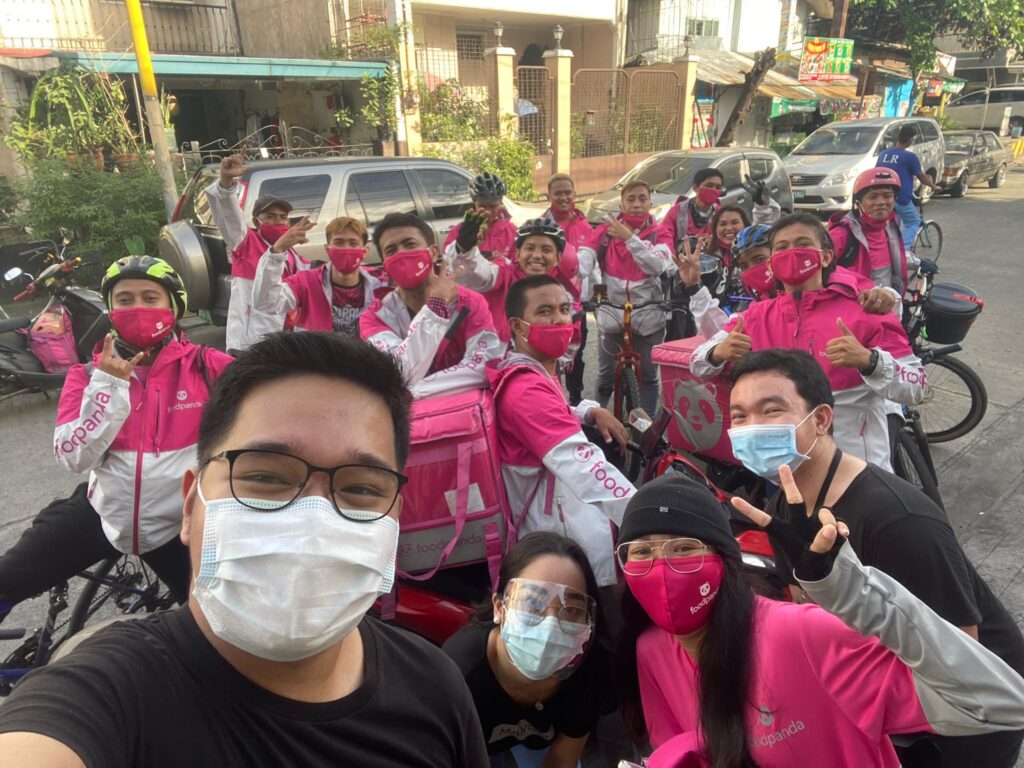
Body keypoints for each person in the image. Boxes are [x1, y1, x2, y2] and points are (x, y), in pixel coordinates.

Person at [0, 333, 490, 767]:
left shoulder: (436, 687)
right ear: (190, 506)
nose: (312, 521)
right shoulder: (107, 697)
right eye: (263, 476)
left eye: (361, 489)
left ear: (396, 516)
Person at [729, 347, 1024, 767]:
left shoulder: (897, 520)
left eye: (771, 410)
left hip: (970, 717)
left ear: (821, 420)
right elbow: (804, 605)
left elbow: (961, 651)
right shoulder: (786, 508)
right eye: (739, 416)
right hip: (887, 690)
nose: (750, 428)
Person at [613, 473, 1024, 768]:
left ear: (726, 563)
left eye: (685, 548)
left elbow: (998, 703)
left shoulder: (799, 635)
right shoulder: (651, 650)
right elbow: (681, 746)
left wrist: (853, 593)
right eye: (641, 552)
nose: (662, 567)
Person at [0, 256, 232, 624]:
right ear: (110, 310)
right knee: (7, 579)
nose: (137, 307)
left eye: (150, 298)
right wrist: (109, 386)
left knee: (214, 620)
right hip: (102, 513)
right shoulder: (85, 374)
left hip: (178, 526)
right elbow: (72, 458)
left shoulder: (209, 366)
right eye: (124, 300)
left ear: (174, 307)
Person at [690, 213, 924, 471]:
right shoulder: (756, 316)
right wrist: (717, 352)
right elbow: (697, 364)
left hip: (856, 472)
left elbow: (916, 386)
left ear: (825, 256)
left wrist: (870, 362)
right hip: (786, 472)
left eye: (802, 244)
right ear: (772, 262)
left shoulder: (864, 311)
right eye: (781, 248)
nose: (792, 253)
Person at [488, 274, 633, 589]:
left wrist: (589, 411)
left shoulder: (536, 372)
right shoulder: (527, 388)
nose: (559, 319)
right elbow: (583, 465)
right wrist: (647, 515)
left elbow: (555, 414)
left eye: (564, 309)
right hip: (561, 538)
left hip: (561, 520)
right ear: (517, 326)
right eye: (544, 311)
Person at [443, 532, 609, 768]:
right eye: (533, 604)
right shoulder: (458, 673)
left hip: (541, 742)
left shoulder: (588, 670)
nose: (551, 626)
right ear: (500, 607)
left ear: (588, 622)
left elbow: (562, 761)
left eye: (571, 609)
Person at [674, 223, 899, 341]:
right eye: (744, 266)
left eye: (759, 259)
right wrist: (694, 287)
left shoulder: (835, 280)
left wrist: (887, 296)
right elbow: (721, 335)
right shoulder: (759, 304)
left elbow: (883, 302)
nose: (753, 270)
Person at [360, 212, 501, 399]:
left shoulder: (470, 302)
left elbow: (482, 368)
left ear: (433, 253)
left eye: (410, 244)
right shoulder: (374, 318)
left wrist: (412, 392)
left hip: (464, 414)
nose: (402, 254)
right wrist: (436, 307)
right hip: (408, 421)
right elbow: (400, 372)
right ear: (385, 264)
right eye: (391, 250)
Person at [577, 180, 673, 416]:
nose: (637, 204)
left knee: (649, 376)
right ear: (621, 204)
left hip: (649, 314)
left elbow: (658, 265)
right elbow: (584, 262)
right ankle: (596, 424)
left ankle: (647, 428)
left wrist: (630, 239)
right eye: (631, 199)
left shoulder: (661, 232)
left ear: (650, 203)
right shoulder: (604, 232)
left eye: (642, 198)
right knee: (605, 375)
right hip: (611, 310)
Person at [205, 154, 310, 352]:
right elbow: (228, 214)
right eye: (269, 216)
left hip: (285, 339)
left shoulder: (293, 255)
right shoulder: (245, 242)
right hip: (249, 342)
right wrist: (226, 182)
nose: (278, 222)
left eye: (283, 217)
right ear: (256, 221)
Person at [450, 218, 579, 346]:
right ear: (517, 254)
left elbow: (571, 339)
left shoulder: (565, 292)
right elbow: (481, 275)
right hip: (495, 361)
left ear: (558, 258)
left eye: (546, 250)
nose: (536, 255)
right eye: (529, 248)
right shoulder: (504, 273)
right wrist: (465, 251)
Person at [251, 215, 386, 338]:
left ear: (365, 251)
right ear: (328, 250)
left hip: (366, 362)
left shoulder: (381, 284)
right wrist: (277, 250)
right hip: (317, 361)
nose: (346, 248)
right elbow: (266, 303)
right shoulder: (306, 282)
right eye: (339, 243)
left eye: (353, 243)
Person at [542, 174, 594, 405]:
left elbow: (591, 267)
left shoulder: (584, 225)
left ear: (575, 194)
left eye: (567, 192)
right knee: (547, 356)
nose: (563, 197)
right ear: (549, 196)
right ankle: (552, 398)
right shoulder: (541, 225)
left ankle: (575, 397)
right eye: (558, 193)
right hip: (545, 302)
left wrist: (595, 296)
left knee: (576, 356)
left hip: (576, 305)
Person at [829, 167, 910, 298]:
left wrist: (917, 261)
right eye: (872, 197)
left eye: (887, 196)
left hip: (888, 311)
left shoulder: (890, 228)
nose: (881, 202)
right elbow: (819, 274)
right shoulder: (841, 234)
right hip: (853, 313)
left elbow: (894, 258)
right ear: (858, 202)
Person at [876, 124, 941, 249]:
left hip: (883, 196)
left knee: (893, 224)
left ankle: (889, 248)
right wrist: (933, 186)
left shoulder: (883, 155)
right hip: (900, 197)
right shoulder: (910, 157)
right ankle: (904, 252)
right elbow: (921, 176)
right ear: (911, 140)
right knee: (913, 222)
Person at [444, 173, 518, 263]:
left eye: (493, 206)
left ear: (501, 202)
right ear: (474, 202)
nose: (487, 211)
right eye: (482, 206)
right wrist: (461, 249)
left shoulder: (512, 232)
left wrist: (503, 261)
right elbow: (447, 264)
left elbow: (520, 267)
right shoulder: (460, 231)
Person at [661, 168, 724, 253]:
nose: (714, 190)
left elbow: (727, 239)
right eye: (709, 185)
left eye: (718, 187)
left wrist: (714, 241)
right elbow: (664, 238)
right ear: (695, 187)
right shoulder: (677, 212)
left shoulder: (721, 214)